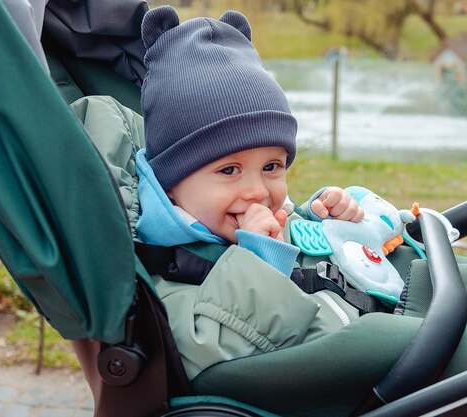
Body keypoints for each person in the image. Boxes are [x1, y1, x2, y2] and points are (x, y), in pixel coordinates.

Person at [135, 5, 380, 380]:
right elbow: (205, 350)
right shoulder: (168, 266)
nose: (257, 192)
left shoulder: (247, 217)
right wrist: (262, 264)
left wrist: (324, 217)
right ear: (170, 182)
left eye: (271, 167)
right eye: (229, 170)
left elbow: (308, 247)